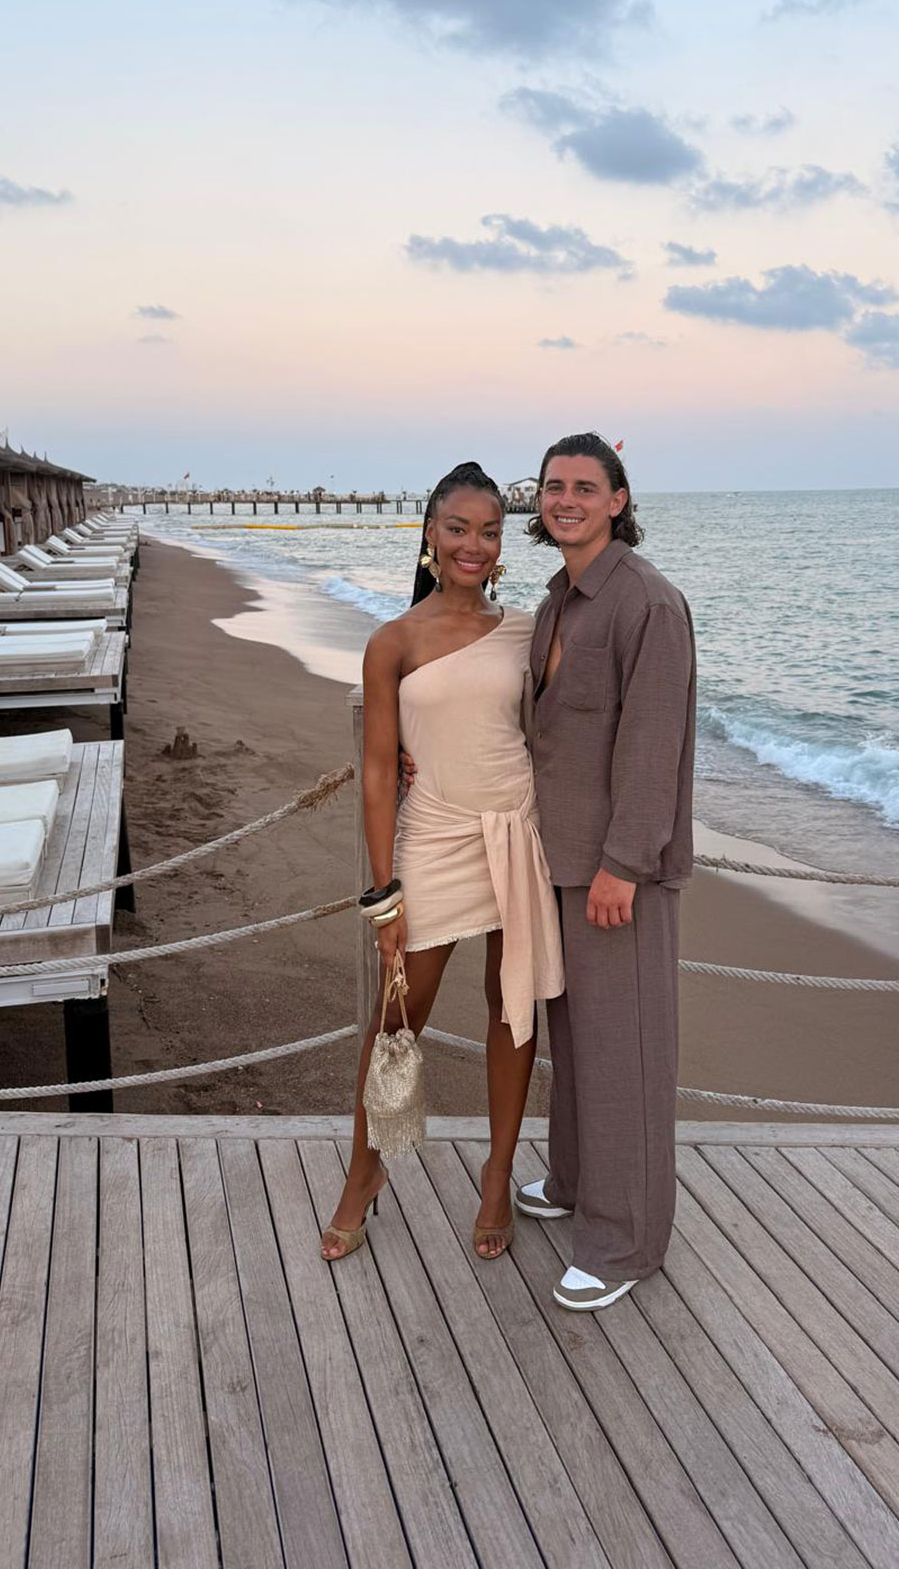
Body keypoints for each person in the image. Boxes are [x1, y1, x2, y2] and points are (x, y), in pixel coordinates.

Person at [320, 461, 564, 1264]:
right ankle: (364, 1175)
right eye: (457, 528)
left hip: (515, 831)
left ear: (503, 545)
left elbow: (570, 723)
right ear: (428, 534)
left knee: (510, 1005)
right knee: (397, 1020)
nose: (474, 545)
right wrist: (384, 891)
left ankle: (498, 1176)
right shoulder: (392, 642)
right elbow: (382, 770)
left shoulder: (531, 631)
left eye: (489, 532)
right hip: (433, 839)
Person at [514, 433, 696, 1310]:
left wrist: (625, 863)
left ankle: (623, 1245)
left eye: (586, 486)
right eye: (555, 486)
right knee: (577, 1044)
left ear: (619, 500)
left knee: (624, 1052)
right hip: (556, 858)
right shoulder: (557, 601)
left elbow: (652, 746)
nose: (567, 499)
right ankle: (578, 1185)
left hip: (614, 873)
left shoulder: (647, 603)